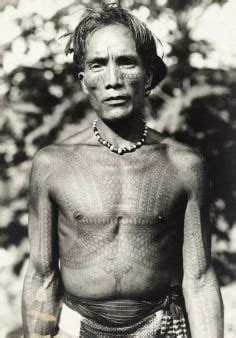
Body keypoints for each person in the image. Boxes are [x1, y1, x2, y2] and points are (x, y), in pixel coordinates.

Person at [22, 4, 223, 338]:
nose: (113, 80)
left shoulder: (184, 165)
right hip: (78, 326)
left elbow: (199, 279)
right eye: (98, 65)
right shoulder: (52, 165)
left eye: (126, 62)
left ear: (147, 75)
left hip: (161, 326)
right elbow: (42, 276)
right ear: (84, 81)